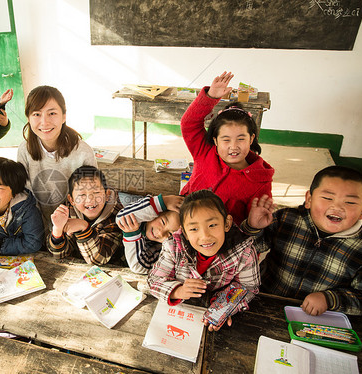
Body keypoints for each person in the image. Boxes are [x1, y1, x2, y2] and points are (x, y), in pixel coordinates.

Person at [244, 166, 362, 316]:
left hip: (316, 321)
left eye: (350, 202)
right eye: (328, 198)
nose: (337, 207)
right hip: (264, 301)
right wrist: (253, 228)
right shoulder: (286, 219)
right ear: (309, 199)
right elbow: (248, 250)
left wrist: (330, 299)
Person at [148, 190, 260, 331]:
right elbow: (154, 280)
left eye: (212, 225)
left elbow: (249, 286)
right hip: (182, 313)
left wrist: (225, 306)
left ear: (227, 223)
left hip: (211, 315)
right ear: (185, 232)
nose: (205, 236)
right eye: (194, 228)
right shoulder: (173, 246)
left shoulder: (244, 252)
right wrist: (179, 291)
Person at [180, 71, 274, 225]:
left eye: (241, 138)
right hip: (184, 221)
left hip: (219, 241)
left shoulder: (260, 180)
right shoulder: (204, 151)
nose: (233, 146)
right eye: (226, 139)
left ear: (251, 139)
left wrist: (253, 225)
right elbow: (188, 124)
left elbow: (252, 222)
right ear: (215, 140)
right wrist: (210, 97)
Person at [17, 85, 97, 227]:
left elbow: (91, 197)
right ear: (28, 118)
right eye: (36, 114)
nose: (44, 122)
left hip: (73, 227)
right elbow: (25, 195)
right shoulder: (24, 149)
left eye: (52, 113)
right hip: (37, 226)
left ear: (64, 116)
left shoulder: (84, 152)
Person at [48, 166, 123, 266]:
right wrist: (57, 230)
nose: (89, 200)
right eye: (82, 194)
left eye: (96, 192)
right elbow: (59, 254)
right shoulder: (68, 211)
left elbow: (98, 260)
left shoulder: (117, 218)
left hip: (111, 270)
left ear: (107, 195)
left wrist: (83, 227)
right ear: (72, 200)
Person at [116, 194, 183, 274]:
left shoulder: (164, 248)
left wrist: (132, 234)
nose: (160, 233)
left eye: (170, 234)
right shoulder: (144, 210)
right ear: (158, 212)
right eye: (163, 222)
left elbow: (138, 267)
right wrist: (162, 203)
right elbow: (122, 219)